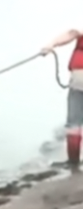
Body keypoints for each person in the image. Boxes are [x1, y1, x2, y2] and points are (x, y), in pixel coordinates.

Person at [41, 27, 82, 167]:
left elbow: (72, 33)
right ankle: (73, 162)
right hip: (78, 82)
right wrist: (51, 45)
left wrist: (50, 44)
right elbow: (72, 33)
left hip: (78, 82)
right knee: (73, 125)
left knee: (74, 124)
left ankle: (73, 163)